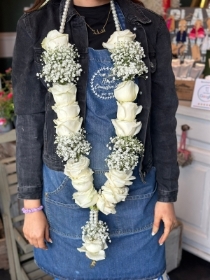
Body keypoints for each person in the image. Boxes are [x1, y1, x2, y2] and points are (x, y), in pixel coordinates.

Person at [12, 0, 179, 279]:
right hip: (65, 194)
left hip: (136, 196)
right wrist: (32, 207)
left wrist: (167, 196)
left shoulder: (148, 25)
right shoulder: (36, 25)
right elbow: (29, 123)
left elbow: (163, 120)